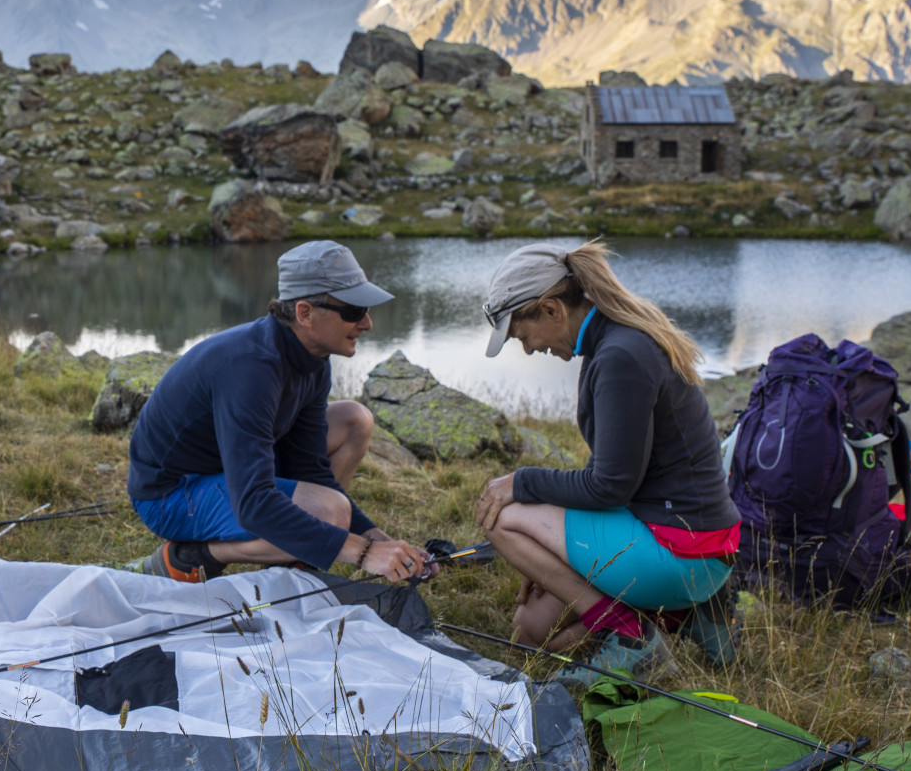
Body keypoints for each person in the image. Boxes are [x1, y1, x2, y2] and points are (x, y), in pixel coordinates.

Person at [474, 241, 740, 681]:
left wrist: (520, 482)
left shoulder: (620, 356)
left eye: (522, 336)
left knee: (503, 518)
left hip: (681, 550)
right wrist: (551, 557)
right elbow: (626, 479)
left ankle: (632, 634)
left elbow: (610, 486)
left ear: (552, 310)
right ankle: (687, 616)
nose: (526, 350)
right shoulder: (617, 340)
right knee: (532, 631)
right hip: (695, 544)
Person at [124, 240, 437, 584]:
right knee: (331, 513)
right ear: (304, 313)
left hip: (231, 472)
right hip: (171, 494)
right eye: (353, 311)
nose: (367, 323)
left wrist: (380, 541)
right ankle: (191, 557)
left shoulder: (313, 359)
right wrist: (361, 553)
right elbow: (254, 502)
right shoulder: (250, 369)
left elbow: (309, 467)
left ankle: (297, 556)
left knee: (353, 420)